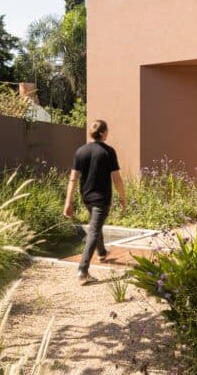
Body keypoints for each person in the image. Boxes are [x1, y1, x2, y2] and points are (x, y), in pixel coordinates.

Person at [63, 119, 127, 285]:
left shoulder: (80, 152)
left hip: (87, 197)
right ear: (103, 133)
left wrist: (68, 202)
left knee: (95, 224)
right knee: (94, 229)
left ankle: (102, 253)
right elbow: (117, 179)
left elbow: (73, 179)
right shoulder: (108, 152)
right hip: (102, 199)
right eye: (107, 131)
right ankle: (83, 270)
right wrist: (123, 197)